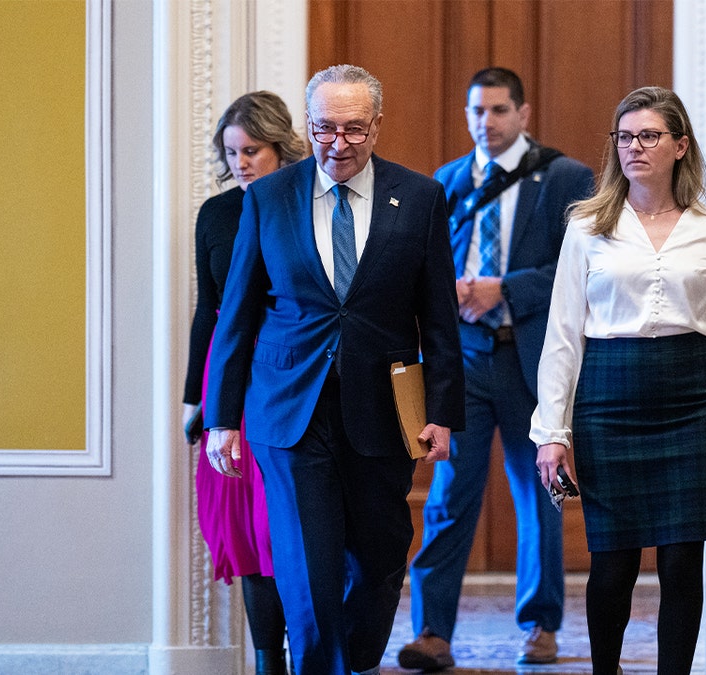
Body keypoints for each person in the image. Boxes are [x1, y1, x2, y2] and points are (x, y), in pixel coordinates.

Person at [204, 64, 466, 675]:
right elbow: (237, 313)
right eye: (324, 129)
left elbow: (439, 318)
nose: (337, 144)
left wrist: (445, 414)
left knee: (380, 557)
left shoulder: (420, 196)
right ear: (309, 126)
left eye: (353, 130)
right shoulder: (271, 196)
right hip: (289, 409)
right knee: (307, 567)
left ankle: (355, 661)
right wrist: (222, 417)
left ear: (376, 125)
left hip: (381, 410)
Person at [530, 86, 706, 675]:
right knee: (613, 562)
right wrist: (552, 432)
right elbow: (563, 333)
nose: (634, 147)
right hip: (608, 398)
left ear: (680, 146)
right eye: (625, 136)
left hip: (692, 398)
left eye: (649, 136)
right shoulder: (587, 226)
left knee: (684, 563)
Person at [399, 67, 594, 671]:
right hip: (461, 364)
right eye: (477, 111)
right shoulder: (447, 181)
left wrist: (501, 288)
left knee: (539, 496)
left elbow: (578, 268)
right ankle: (433, 631)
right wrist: (450, 289)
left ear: (524, 113)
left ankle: (539, 625)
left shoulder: (566, 177)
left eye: (499, 110)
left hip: (528, 360)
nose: (487, 122)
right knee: (448, 497)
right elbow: (424, 267)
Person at [184, 90, 306, 675]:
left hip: (286, 374)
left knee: (282, 524)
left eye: (253, 150)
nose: (242, 163)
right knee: (241, 530)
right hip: (226, 376)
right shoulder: (216, 214)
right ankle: (266, 662)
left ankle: (309, 652)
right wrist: (195, 400)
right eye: (232, 152)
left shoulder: (307, 204)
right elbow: (208, 310)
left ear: (281, 148)